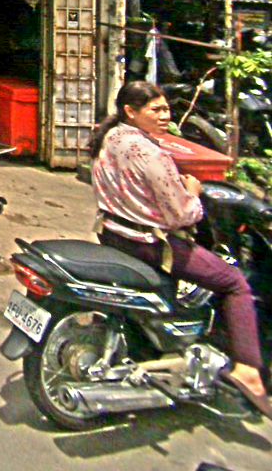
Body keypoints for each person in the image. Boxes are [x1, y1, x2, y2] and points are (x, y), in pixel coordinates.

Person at [89, 80, 272, 419]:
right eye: (155, 110)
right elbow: (181, 214)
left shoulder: (110, 137)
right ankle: (248, 369)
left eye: (167, 109)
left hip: (114, 232)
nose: (165, 116)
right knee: (234, 282)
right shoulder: (149, 153)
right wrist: (193, 191)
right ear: (131, 111)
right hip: (150, 243)